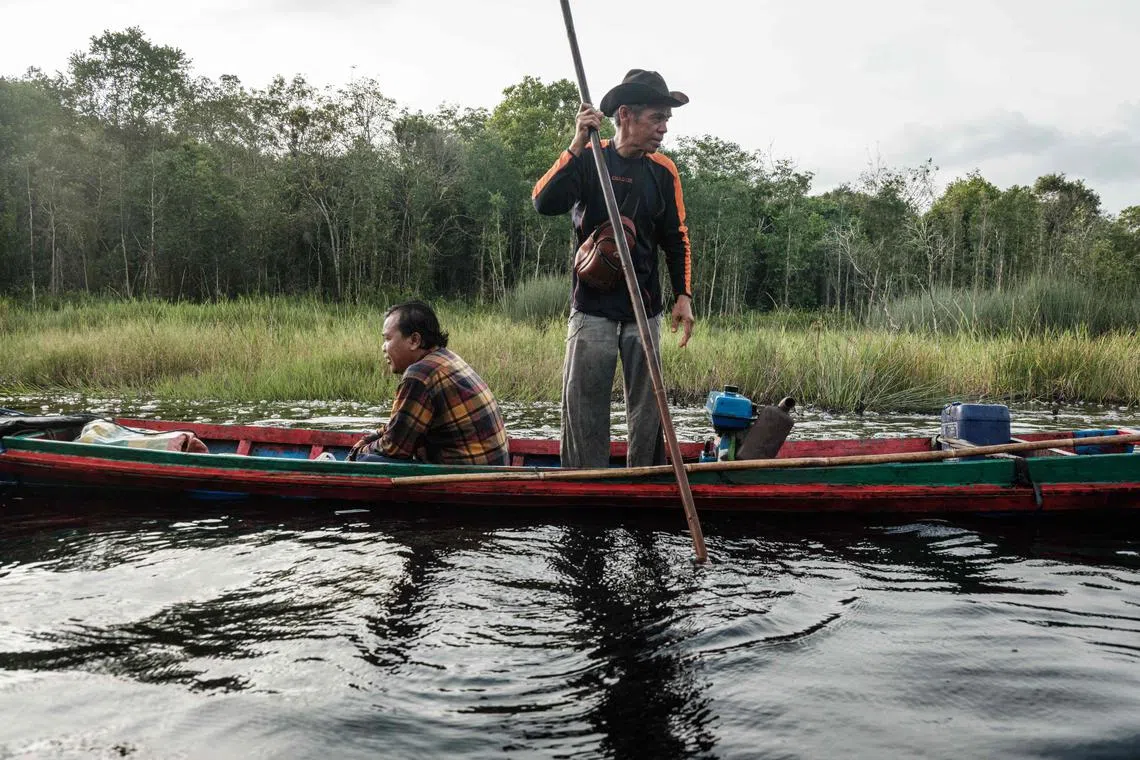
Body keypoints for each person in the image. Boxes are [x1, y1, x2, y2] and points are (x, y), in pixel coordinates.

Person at [532, 69, 695, 469]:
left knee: (649, 406)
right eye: (656, 119)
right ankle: (585, 481)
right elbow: (543, 201)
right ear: (625, 114)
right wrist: (575, 142)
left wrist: (684, 296)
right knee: (583, 405)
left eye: (666, 121)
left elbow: (676, 238)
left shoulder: (663, 170)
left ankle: (646, 478)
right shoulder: (591, 159)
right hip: (591, 308)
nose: (663, 129)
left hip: (645, 308)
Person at [349, 300, 510, 466]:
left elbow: (394, 448)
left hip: (467, 476)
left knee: (364, 460)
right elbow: (399, 425)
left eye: (388, 338)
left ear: (414, 340)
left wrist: (358, 452)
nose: (383, 347)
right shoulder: (445, 358)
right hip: (490, 469)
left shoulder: (420, 374)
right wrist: (370, 440)